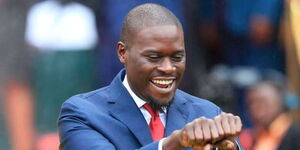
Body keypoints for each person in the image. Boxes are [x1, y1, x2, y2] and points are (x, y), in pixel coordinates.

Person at [58, 3, 243, 150]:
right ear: (123, 52)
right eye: (154, 57)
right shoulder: (83, 113)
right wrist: (174, 143)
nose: (168, 68)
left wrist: (230, 147)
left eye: (177, 57)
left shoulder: (208, 114)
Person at [239, 81, 300, 150]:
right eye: (251, 103)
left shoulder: (295, 136)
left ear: (277, 103)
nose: (255, 108)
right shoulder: (248, 138)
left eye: (262, 102)